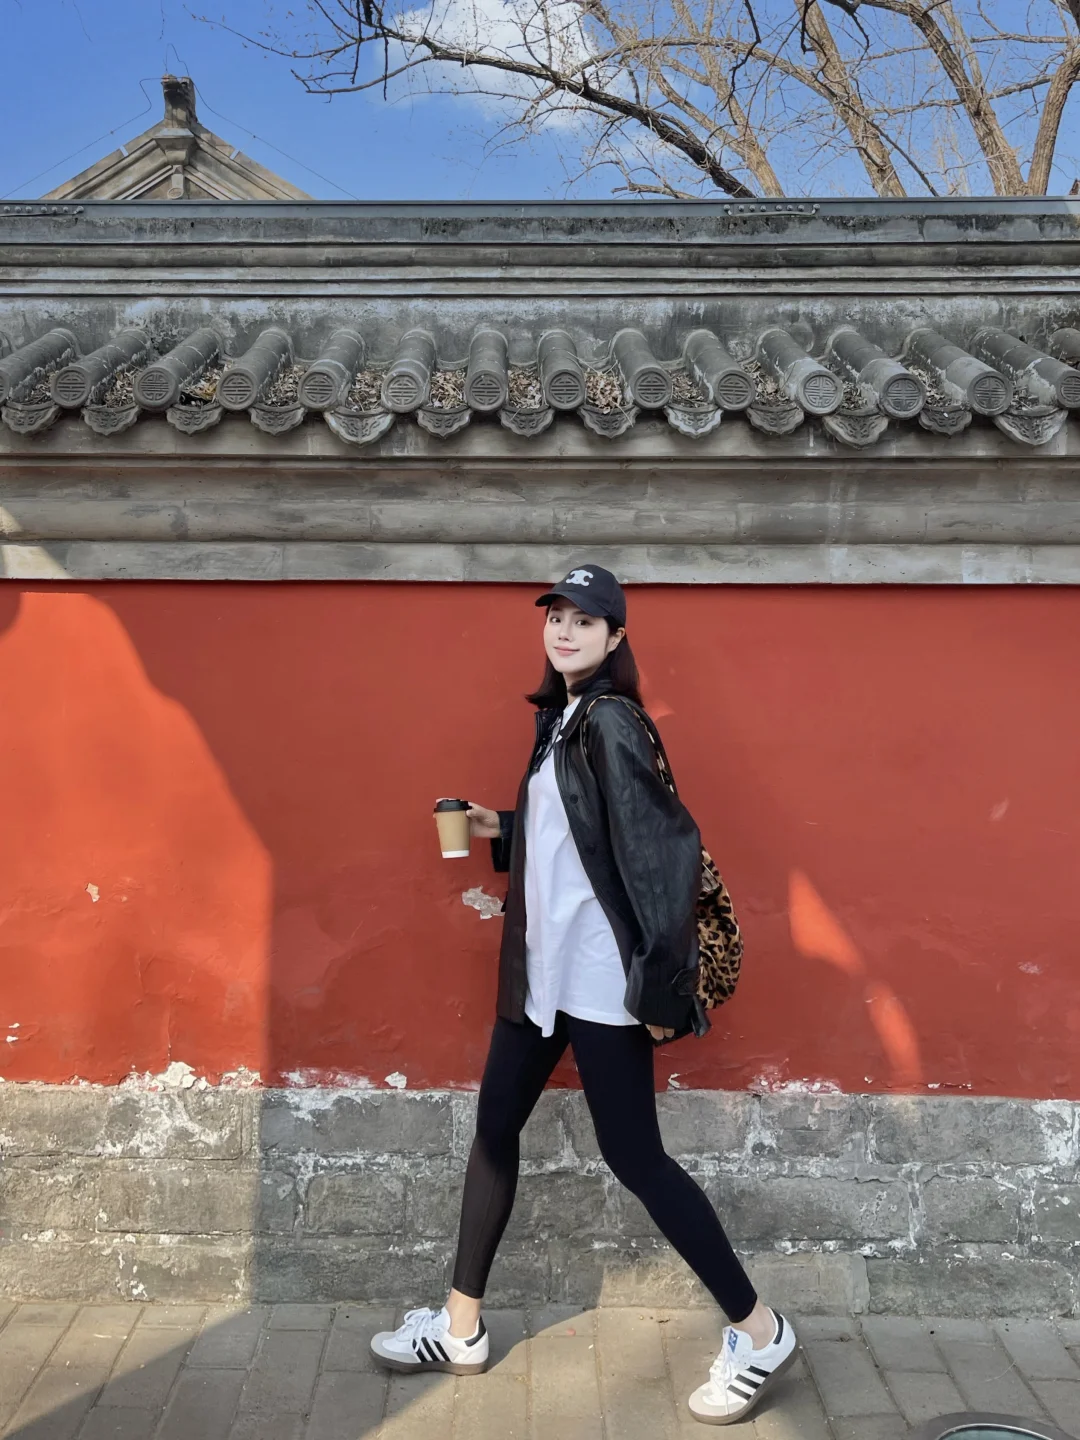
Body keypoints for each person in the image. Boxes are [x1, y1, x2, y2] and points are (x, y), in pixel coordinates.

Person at [370, 564, 798, 1425]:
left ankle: (762, 1333)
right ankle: (460, 1327)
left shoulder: (610, 720)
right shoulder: (562, 719)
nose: (564, 631)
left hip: (601, 983)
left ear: (615, 638)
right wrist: (502, 827)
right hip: (544, 973)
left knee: (635, 1158)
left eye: (585, 620)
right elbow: (582, 833)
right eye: (556, 616)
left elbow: (665, 853)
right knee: (495, 1127)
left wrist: (660, 984)